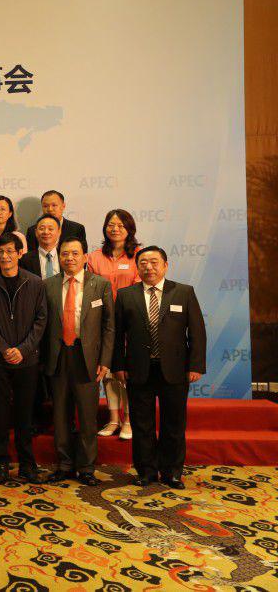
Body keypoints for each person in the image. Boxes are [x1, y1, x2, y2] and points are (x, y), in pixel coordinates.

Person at [112, 246, 206, 489]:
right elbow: (117, 334)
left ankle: (172, 472)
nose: (148, 267)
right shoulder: (126, 295)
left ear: (165, 265)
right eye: (143, 262)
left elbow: (197, 331)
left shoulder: (183, 292)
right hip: (138, 369)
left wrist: (196, 365)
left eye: (154, 262)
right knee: (141, 424)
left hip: (175, 369)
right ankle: (146, 472)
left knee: (173, 424)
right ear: (137, 267)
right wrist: (118, 365)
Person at [42, 237, 114, 487]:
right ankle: (64, 464)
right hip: (58, 356)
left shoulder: (100, 285)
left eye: (75, 253)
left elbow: (109, 326)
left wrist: (105, 360)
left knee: (87, 416)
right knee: (60, 415)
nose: (69, 258)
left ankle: (86, 467)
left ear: (85, 257)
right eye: (64, 254)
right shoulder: (48, 285)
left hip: (88, 359)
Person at [0, 233, 47, 484]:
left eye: (9, 251)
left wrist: (22, 349)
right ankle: (0, 465)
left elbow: (41, 321)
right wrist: (4, 348)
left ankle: (27, 465)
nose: (5, 256)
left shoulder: (35, 283)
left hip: (27, 360)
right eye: (0, 252)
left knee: (25, 415)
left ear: (19, 253)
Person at [87, 209, 141, 441]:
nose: (115, 229)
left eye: (120, 225)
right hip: (103, 322)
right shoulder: (94, 257)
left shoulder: (138, 255)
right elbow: (90, 289)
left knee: (125, 373)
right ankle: (113, 419)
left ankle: (128, 420)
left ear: (129, 228)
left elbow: (139, 289)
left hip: (130, 321)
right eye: (111, 224)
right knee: (107, 372)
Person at [20, 214, 62, 279]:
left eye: (50, 229)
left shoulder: (65, 257)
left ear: (59, 232)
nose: (46, 232)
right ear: (36, 232)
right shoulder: (24, 259)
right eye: (42, 229)